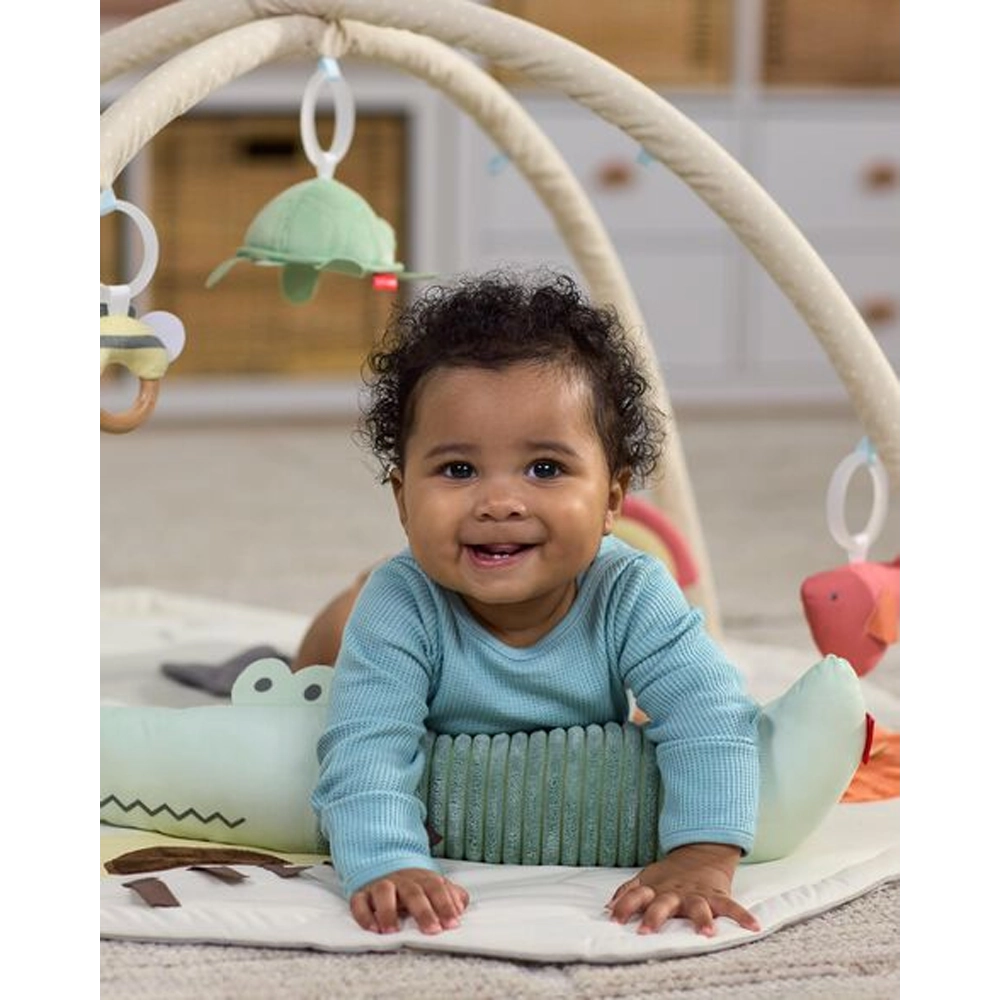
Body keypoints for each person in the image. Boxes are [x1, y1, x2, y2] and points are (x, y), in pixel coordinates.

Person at [310, 270, 761, 939]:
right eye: (458, 470)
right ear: (403, 499)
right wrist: (387, 858)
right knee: (322, 668)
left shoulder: (631, 590)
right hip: (369, 629)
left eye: (545, 469)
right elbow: (365, 744)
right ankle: (339, 609)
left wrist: (701, 855)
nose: (499, 503)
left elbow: (711, 715)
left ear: (612, 500)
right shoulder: (402, 602)